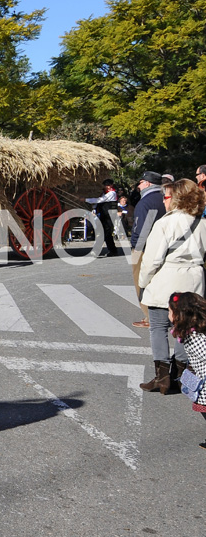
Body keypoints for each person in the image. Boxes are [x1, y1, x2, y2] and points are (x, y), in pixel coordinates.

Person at [138, 179, 206, 394]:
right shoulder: (203, 223)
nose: (164, 201)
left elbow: (151, 261)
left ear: (176, 198)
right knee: (185, 328)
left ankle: (162, 377)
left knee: (158, 328)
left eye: (166, 197)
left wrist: (142, 284)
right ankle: (180, 375)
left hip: (167, 279)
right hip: (194, 280)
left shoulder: (165, 223)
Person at [166, 291, 206, 449]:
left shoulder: (195, 337)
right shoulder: (192, 332)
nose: (168, 314)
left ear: (179, 314)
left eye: (169, 311)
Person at [129, 171, 167, 329]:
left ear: (148, 184)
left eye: (141, 182)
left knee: (142, 281)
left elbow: (142, 228)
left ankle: (149, 317)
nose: (139, 185)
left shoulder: (146, 202)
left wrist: (137, 248)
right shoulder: (165, 199)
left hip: (145, 248)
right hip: (164, 246)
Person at [85, 178, 119, 257]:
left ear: (111, 185)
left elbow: (100, 200)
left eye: (108, 185)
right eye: (105, 185)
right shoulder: (105, 193)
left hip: (109, 216)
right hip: (104, 215)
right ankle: (113, 250)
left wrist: (86, 199)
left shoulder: (112, 193)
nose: (107, 187)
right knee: (106, 234)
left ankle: (96, 251)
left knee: (103, 233)